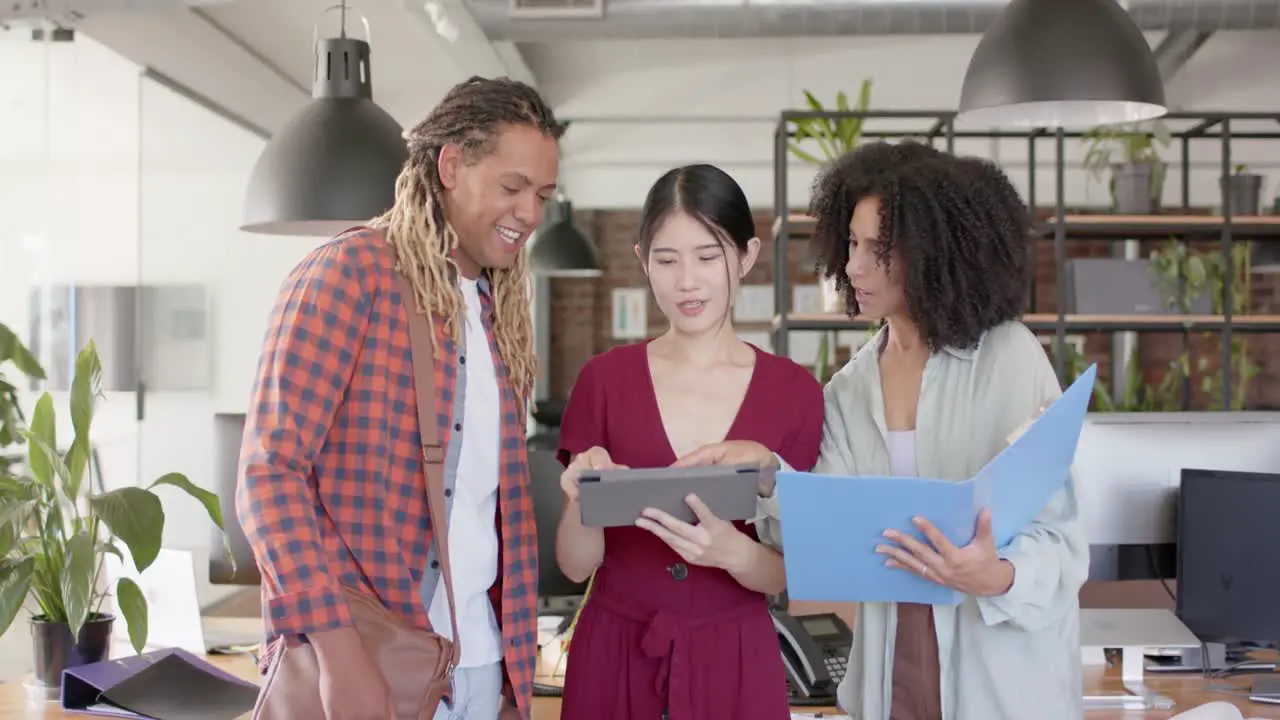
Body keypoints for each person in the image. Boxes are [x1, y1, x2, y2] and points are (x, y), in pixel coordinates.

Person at [689, 141, 1089, 720]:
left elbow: (1062, 538)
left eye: (880, 249)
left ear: (935, 253)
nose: (853, 267)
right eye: (852, 243)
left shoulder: (1009, 357)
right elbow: (826, 533)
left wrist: (996, 574)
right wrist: (772, 477)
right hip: (890, 664)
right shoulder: (850, 389)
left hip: (999, 673)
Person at [236, 76, 563, 720]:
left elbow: (485, 512)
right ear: (449, 165)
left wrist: (506, 682)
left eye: (543, 195)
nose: (530, 212)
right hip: (373, 661)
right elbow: (269, 476)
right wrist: (341, 656)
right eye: (512, 187)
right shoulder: (348, 274)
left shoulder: (502, 315)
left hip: (483, 665)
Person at [553, 163, 824, 719]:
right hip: (615, 655)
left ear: (746, 257)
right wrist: (584, 501)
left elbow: (794, 568)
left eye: (707, 256)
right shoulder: (603, 381)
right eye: (666, 260)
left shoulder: (794, 392)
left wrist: (734, 554)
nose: (687, 282)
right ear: (642, 261)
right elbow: (576, 566)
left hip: (735, 657)